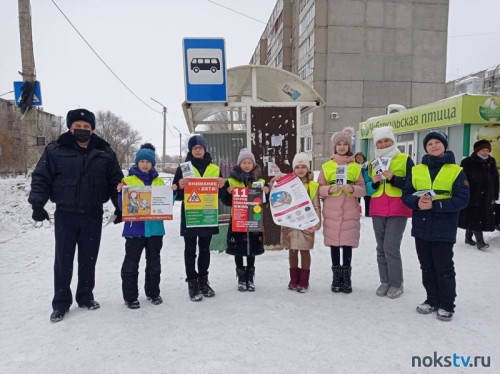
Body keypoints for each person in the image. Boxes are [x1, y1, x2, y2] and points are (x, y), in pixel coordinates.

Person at [28, 108, 123, 322]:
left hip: (92, 214)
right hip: (66, 214)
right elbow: (41, 177)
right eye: (77, 127)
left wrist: (121, 207)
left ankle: (85, 296)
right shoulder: (55, 149)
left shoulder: (105, 152)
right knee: (63, 259)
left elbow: (115, 183)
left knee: (88, 259)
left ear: (92, 129)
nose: (82, 130)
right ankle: (61, 303)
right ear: (70, 127)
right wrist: (37, 204)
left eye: (86, 127)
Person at [402, 131, 469, 322]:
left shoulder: (456, 170)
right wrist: (416, 203)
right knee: (426, 266)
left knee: (444, 267)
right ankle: (431, 299)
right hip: (421, 226)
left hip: (444, 227)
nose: (433, 145)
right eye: (429, 143)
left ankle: (447, 305)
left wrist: (436, 205)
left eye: (437, 142)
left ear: (444, 146)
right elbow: (406, 194)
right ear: (425, 148)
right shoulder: (416, 170)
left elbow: (463, 199)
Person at [172, 135, 225, 302]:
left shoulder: (215, 169)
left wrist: (223, 185)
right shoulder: (183, 168)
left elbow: (221, 194)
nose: (197, 149)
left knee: (204, 249)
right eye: (194, 147)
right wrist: (179, 188)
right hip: (190, 214)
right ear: (190, 150)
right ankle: (192, 283)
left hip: (207, 214)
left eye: (200, 147)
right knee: (190, 250)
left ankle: (203, 281)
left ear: (205, 149)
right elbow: (175, 194)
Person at [116, 143, 166, 309]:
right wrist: (119, 192)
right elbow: (121, 205)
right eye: (142, 161)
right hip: (134, 229)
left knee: (154, 263)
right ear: (137, 163)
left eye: (148, 161)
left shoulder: (159, 182)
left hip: (155, 230)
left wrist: (171, 192)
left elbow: (167, 204)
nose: (145, 164)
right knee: (131, 263)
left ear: (153, 164)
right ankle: (130, 297)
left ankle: (153, 292)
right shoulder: (127, 181)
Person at [318, 127, 366, 294]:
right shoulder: (326, 166)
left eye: (345, 144)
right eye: (339, 144)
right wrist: (329, 189)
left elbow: (363, 189)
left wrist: (352, 188)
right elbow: (319, 188)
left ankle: (346, 278)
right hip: (332, 210)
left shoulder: (355, 167)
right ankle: (336, 277)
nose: (342, 146)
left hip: (350, 211)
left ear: (349, 146)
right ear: (334, 146)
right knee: (333, 245)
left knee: (346, 244)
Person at [368, 126, 414, 299]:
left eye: (386, 140)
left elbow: (412, 183)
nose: (383, 143)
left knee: (390, 247)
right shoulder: (373, 162)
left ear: (393, 141)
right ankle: (384, 281)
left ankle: (396, 282)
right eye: (379, 141)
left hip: (398, 208)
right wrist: (374, 182)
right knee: (381, 247)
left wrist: (394, 178)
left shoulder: (405, 159)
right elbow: (370, 188)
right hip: (378, 206)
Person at [220, 148, 270, 292]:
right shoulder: (231, 181)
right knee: (238, 250)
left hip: (254, 221)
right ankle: (241, 278)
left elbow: (264, 202)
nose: (247, 165)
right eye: (244, 162)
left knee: (252, 250)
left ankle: (250, 277)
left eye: (249, 162)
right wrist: (227, 193)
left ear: (253, 164)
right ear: (239, 164)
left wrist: (267, 191)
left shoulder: (260, 181)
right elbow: (226, 202)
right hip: (238, 220)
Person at [274, 153, 321, 293]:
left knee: (305, 251)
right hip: (290, 224)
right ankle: (294, 279)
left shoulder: (313, 186)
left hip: (307, 224)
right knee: (292, 251)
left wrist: (316, 225)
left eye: (303, 166)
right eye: (297, 167)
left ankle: (304, 281)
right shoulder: (287, 184)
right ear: (293, 169)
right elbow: (277, 198)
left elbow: (317, 207)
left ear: (308, 168)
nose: (300, 170)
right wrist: (273, 182)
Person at [458, 140, 499, 250]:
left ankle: (468, 238)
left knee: (474, 217)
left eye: (487, 150)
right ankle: (480, 242)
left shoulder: (491, 161)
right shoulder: (467, 162)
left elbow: (495, 179)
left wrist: (495, 195)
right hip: (473, 195)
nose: (485, 153)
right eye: (483, 150)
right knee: (476, 217)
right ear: (477, 151)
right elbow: (462, 179)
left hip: (487, 196)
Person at [354, 152, 372, 217]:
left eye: (361, 157)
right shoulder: (354, 166)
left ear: (363, 158)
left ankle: (368, 213)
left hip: (367, 184)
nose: (359, 159)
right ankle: (358, 212)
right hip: (358, 185)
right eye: (357, 157)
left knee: (367, 199)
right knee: (357, 200)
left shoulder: (368, 165)